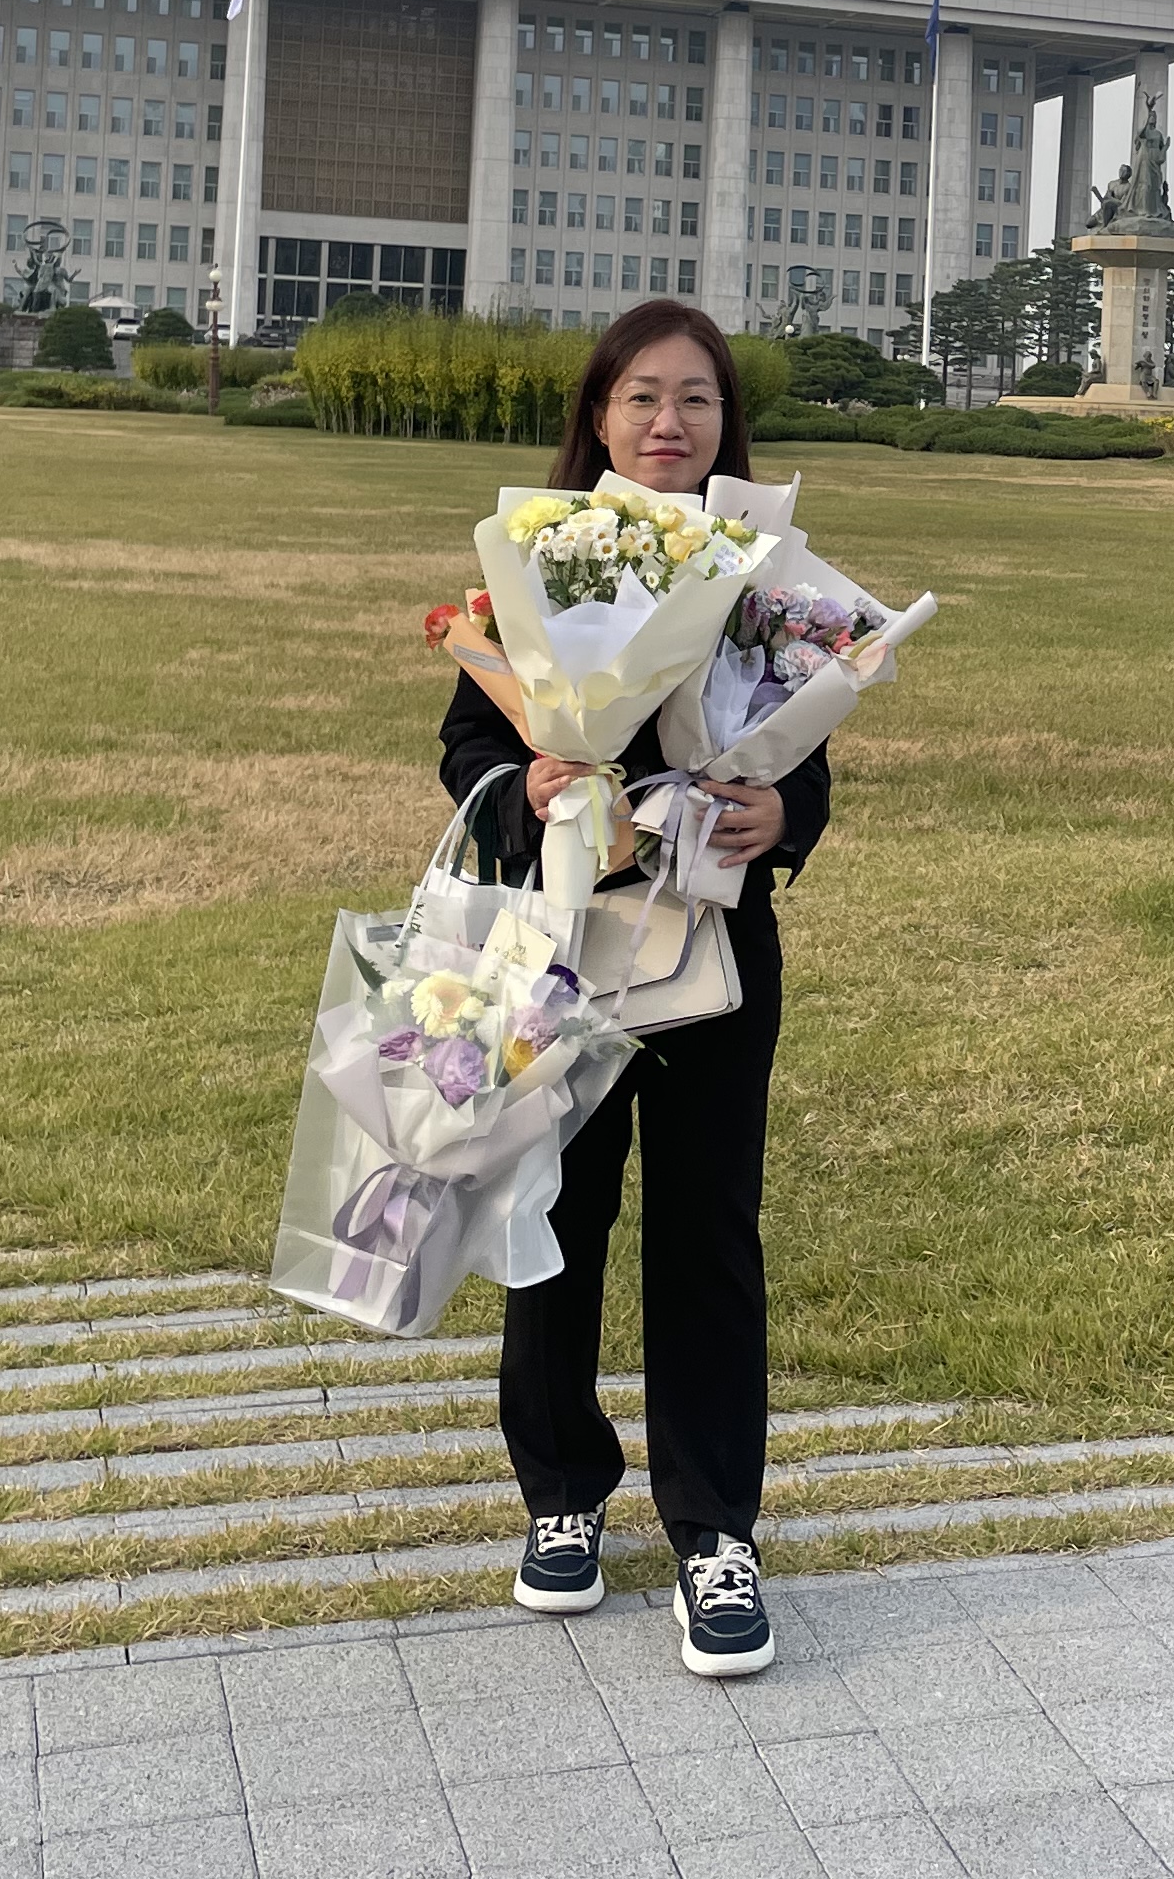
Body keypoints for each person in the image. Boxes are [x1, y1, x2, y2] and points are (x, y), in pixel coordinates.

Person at [436, 299, 823, 1680]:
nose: (670, 423)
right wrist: (531, 781)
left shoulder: (770, 576)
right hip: (559, 943)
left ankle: (716, 1526)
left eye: (698, 401)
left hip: (713, 956)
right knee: (558, 1215)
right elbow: (469, 743)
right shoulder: (539, 564)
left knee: (710, 1232)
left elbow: (797, 741)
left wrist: (786, 816)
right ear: (598, 418)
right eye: (644, 397)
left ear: (727, 424)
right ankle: (560, 1497)